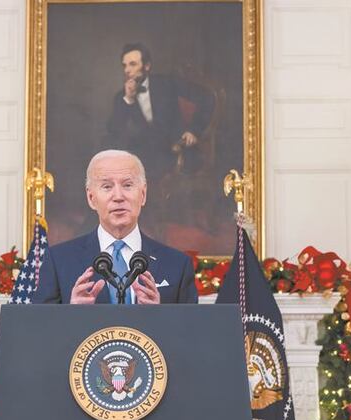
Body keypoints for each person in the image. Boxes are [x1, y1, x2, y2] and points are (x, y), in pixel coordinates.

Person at [33, 150, 198, 305]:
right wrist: (71, 315)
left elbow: (190, 332)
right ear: (91, 198)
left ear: (143, 195)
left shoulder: (177, 265)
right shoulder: (59, 261)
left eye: (127, 185)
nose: (118, 197)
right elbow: (40, 329)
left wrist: (159, 316)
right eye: (107, 187)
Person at [105, 43, 215, 189]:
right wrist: (129, 100)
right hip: (144, 156)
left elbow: (206, 97)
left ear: (147, 66)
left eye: (132, 64)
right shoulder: (122, 97)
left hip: (176, 150)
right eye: (124, 65)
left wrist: (194, 130)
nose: (127, 70)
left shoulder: (167, 83)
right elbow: (115, 132)